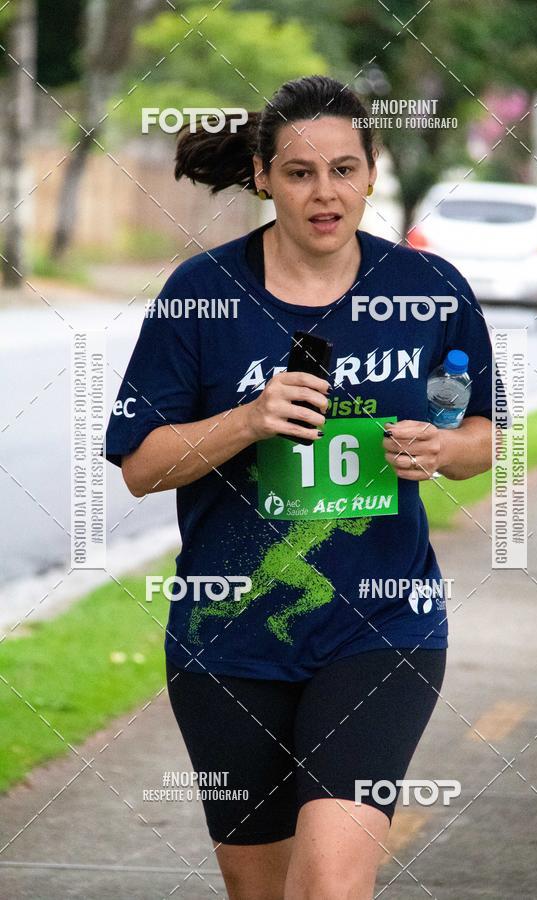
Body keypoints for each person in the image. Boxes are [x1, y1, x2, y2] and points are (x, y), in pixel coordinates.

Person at [104, 75, 494, 900]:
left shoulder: (431, 291)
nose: (326, 193)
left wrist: (441, 447)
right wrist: (248, 420)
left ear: (372, 172)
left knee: (330, 887)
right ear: (262, 176)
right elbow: (140, 467)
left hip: (383, 626)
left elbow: (481, 438)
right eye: (300, 172)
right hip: (228, 635)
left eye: (344, 170)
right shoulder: (203, 295)